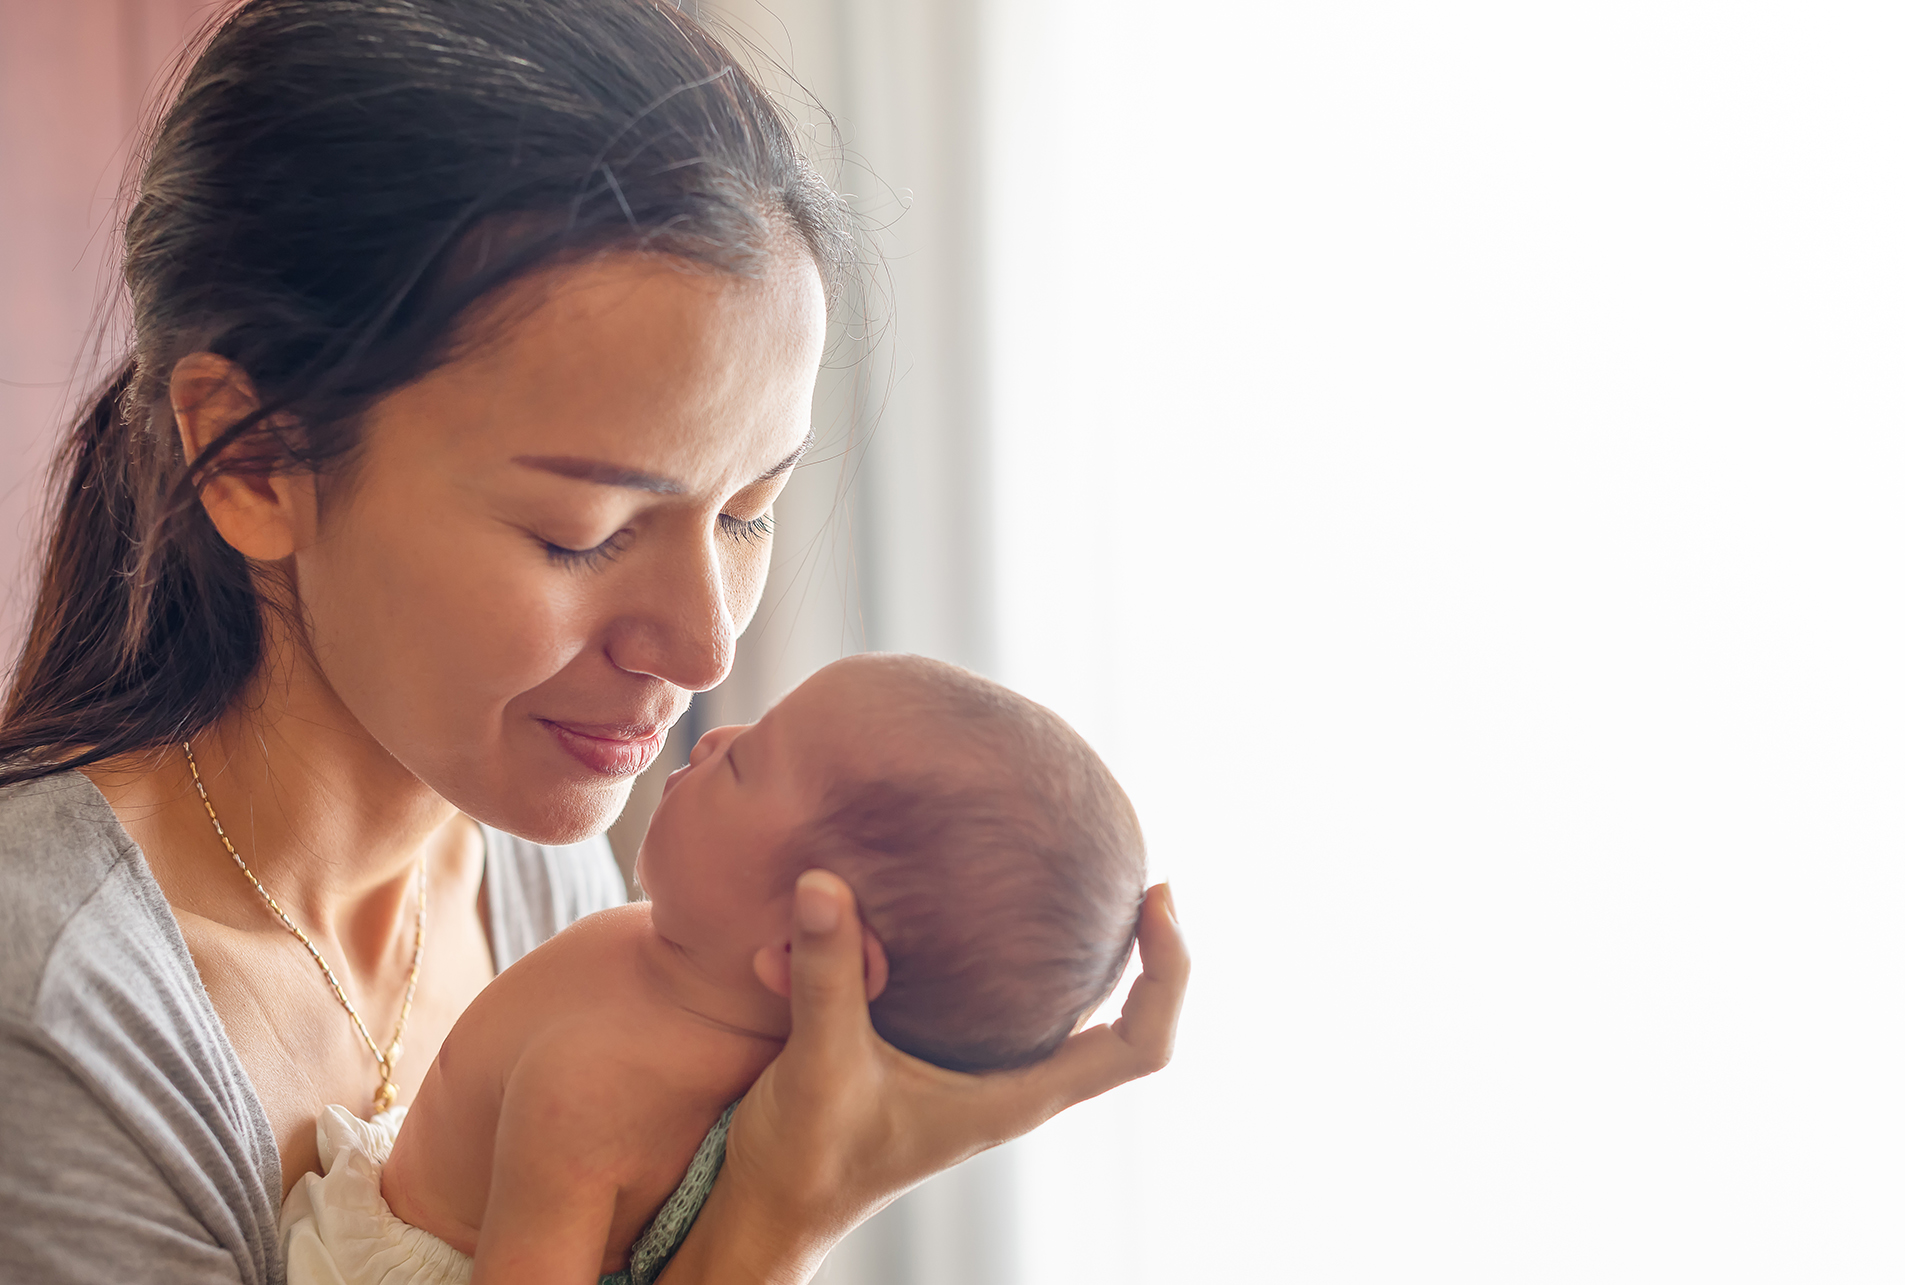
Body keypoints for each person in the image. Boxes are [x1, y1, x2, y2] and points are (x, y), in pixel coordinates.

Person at [0, 2, 1188, 1283]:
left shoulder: (538, 868)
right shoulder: (56, 1018)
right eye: (583, 532)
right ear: (257, 458)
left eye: (747, 512)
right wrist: (777, 1217)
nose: (701, 650)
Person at [281, 652, 1146, 1284]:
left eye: (744, 760)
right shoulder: (706, 989)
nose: (714, 733)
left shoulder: (595, 1085)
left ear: (809, 947)